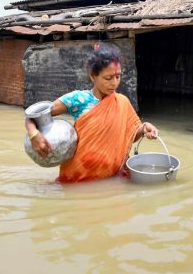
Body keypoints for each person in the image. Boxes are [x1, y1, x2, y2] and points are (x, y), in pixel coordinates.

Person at [25, 44, 159, 183]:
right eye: (108, 78)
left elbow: (129, 136)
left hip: (112, 177)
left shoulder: (122, 102)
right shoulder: (78, 99)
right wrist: (34, 134)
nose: (114, 83)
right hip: (77, 177)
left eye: (118, 76)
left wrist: (144, 129)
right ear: (93, 76)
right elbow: (32, 117)